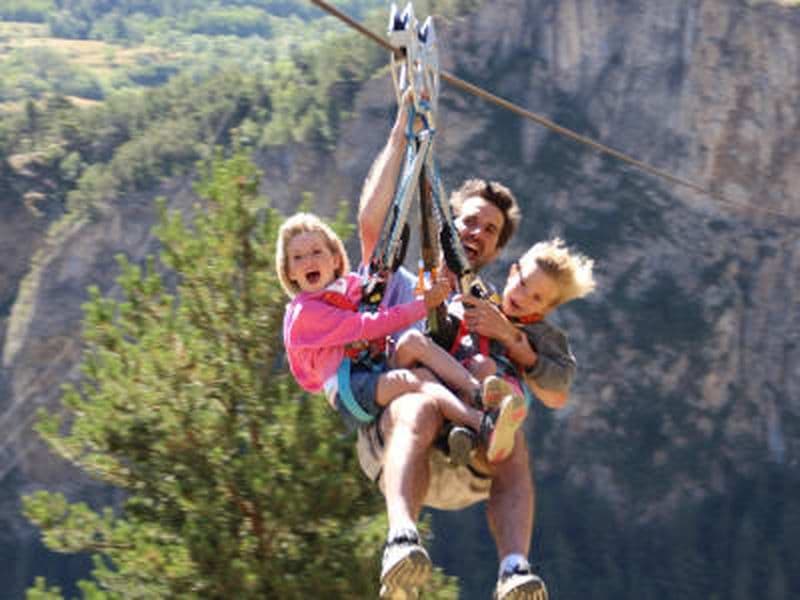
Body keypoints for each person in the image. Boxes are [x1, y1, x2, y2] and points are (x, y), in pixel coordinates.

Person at [357, 97, 567, 600]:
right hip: (400, 442)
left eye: (490, 231)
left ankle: (514, 569)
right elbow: (371, 229)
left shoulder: (497, 312)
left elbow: (557, 388)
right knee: (418, 402)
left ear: (497, 251)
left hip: (471, 463)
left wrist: (510, 338)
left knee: (511, 428)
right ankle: (401, 540)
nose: (476, 234)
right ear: (448, 225)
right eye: (469, 222)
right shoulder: (401, 287)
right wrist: (398, 138)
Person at [276, 212, 527, 464]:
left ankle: (478, 392)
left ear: (334, 258)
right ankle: (482, 424)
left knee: (413, 341)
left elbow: (373, 300)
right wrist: (424, 304)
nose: (308, 261)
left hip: (374, 367)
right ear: (289, 273)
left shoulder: (350, 288)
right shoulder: (305, 313)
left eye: (316, 252)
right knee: (414, 379)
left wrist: (388, 281)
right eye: (297, 257)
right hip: (351, 389)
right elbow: (365, 325)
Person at [434, 237, 597, 463]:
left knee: (495, 377)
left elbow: (562, 379)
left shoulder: (544, 335)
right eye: (522, 283)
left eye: (537, 298)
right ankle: (463, 435)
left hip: (505, 384)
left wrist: (530, 358)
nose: (522, 297)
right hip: (466, 378)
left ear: (548, 308)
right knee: (480, 367)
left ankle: (499, 420)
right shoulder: (485, 301)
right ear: (512, 272)